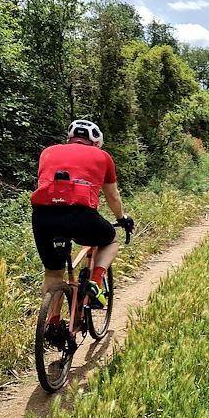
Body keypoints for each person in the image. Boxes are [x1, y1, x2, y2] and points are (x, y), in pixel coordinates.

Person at [30, 120, 134, 312]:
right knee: (111, 240)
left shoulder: (48, 152)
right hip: (80, 216)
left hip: (42, 216)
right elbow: (112, 196)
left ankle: (52, 321)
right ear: (96, 142)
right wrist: (121, 218)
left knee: (53, 273)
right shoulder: (102, 156)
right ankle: (94, 283)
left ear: (69, 138)